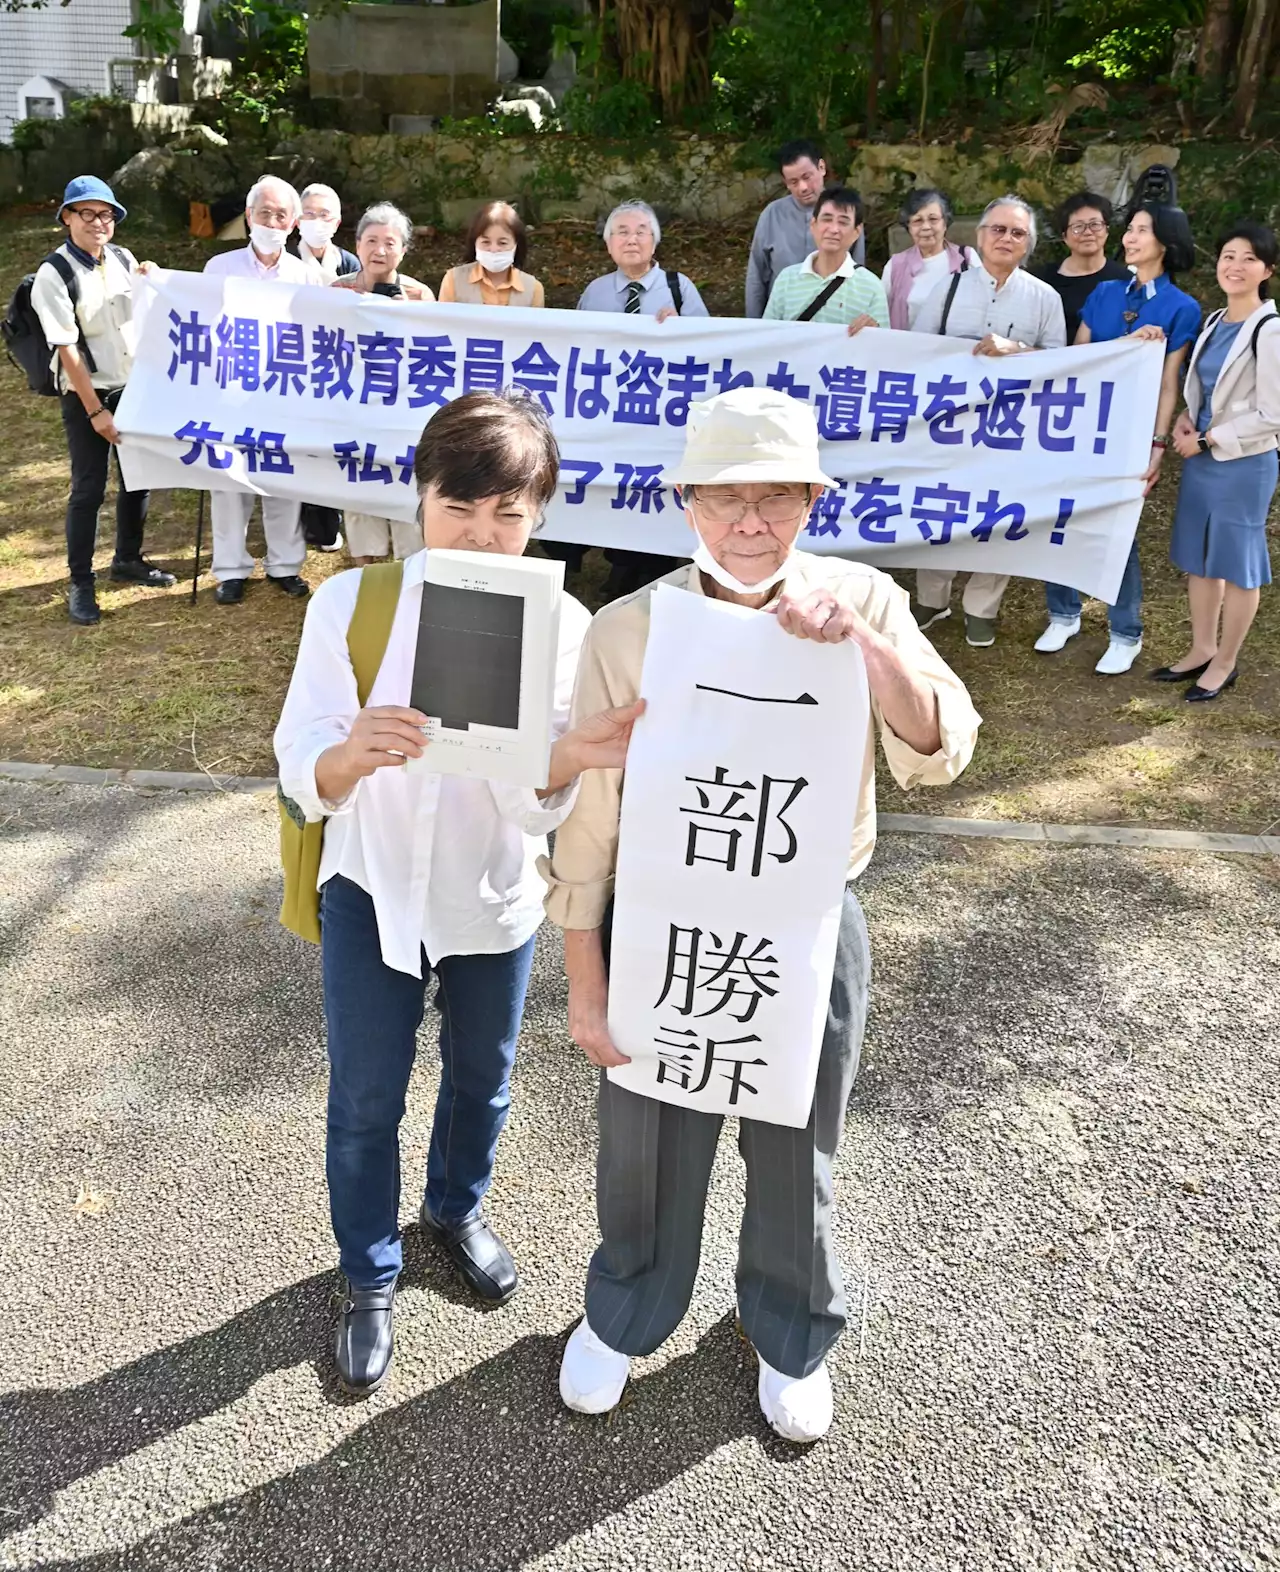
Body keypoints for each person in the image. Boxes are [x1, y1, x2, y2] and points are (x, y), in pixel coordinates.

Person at [544, 387, 980, 1443]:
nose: (751, 523)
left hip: (806, 920)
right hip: (660, 920)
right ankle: (627, 1307)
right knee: (643, 1134)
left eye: (777, 498)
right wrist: (586, 983)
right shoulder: (627, 627)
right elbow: (590, 818)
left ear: (812, 501)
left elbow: (941, 744)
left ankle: (790, 1331)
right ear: (684, 501)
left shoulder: (859, 598)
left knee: (795, 1141)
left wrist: (863, 652)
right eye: (725, 498)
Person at [274, 391, 645, 1394]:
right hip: (374, 890)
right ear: (420, 497)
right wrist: (348, 758)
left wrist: (558, 758)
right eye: (459, 507)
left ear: (539, 515)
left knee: (482, 1079)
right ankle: (367, 1272)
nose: (482, 534)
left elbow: (539, 812)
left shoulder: (563, 626)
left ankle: (453, 1207)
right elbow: (297, 753)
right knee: (363, 1097)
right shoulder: (352, 607)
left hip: (493, 896)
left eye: (508, 514)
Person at [1035, 202, 1201, 675]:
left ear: (1165, 242)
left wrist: (1157, 444)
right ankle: (1063, 613)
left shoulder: (1181, 307)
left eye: (1142, 231)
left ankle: (1125, 630)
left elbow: (1170, 384)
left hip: (1129, 431)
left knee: (1117, 532)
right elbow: (1077, 359)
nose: (1130, 238)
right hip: (1079, 425)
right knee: (1059, 516)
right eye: (1129, 229)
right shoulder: (1105, 292)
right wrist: (1127, 345)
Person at [911, 194, 1068, 648]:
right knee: (939, 506)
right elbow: (914, 351)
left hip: (1012, 429)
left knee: (998, 514)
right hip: (948, 423)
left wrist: (1016, 350)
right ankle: (931, 597)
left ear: (1029, 244)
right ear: (979, 237)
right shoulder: (949, 288)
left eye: (1017, 232)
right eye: (997, 229)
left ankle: (982, 607)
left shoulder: (1045, 298)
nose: (1006, 238)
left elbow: (1062, 365)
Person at [30, 175, 176, 625]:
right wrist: (95, 410)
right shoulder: (54, 275)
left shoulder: (123, 258)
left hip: (132, 388)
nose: (98, 222)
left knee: (138, 479)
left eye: (106, 214)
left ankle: (127, 560)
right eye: (87, 213)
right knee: (88, 490)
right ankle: (80, 582)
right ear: (67, 218)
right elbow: (67, 350)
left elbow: (144, 312)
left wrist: (152, 279)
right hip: (86, 396)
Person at [1159, 222, 1279, 701]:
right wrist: (1187, 420)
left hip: (1243, 464)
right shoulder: (1214, 321)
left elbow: (1273, 413)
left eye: (1249, 258)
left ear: (1267, 269)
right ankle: (1202, 647)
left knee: (1237, 563)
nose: (1236, 266)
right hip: (1203, 458)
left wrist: (1207, 439)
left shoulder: (1270, 330)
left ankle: (1226, 662)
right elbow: (1205, 392)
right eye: (1229, 255)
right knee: (1200, 560)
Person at [574, 199, 708, 599]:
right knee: (616, 487)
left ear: (655, 242)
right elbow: (574, 347)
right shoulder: (595, 292)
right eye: (622, 232)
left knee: (656, 486)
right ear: (608, 244)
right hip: (608, 413)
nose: (631, 240)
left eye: (641, 232)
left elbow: (710, 344)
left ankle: (652, 570)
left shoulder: (678, 288)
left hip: (662, 415)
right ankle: (620, 565)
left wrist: (681, 330)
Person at [203, 175, 312, 606]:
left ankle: (285, 565)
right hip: (232, 392)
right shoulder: (220, 268)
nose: (271, 221)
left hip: (286, 393)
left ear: (294, 223)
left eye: (280, 215)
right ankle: (230, 570)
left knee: (284, 480)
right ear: (248, 217)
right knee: (229, 482)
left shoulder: (306, 274)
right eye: (263, 213)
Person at [331, 203, 434, 565]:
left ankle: (411, 569)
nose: (380, 250)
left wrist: (411, 316)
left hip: (403, 413)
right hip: (353, 409)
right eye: (371, 240)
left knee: (405, 492)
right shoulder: (337, 289)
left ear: (404, 250)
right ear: (357, 245)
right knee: (360, 492)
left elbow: (434, 354)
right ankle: (366, 571)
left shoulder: (420, 294)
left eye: (390, 243)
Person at [745, 139, 866, 318]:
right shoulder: (772, 214)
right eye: (793, 182)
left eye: (807, 177)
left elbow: (858, 272)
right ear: (785, 182)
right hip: (781, 320)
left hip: (834, 319)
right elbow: (756, 276)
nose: (802, 187)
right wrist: (754, 326)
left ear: (822, 167)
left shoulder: (846, 212)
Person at [761, 185, 889, 329]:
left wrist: (874, 330)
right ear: (814, 225)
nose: (834, 229)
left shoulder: (872, 287)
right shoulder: (786, 280)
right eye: (827, 219)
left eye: (843, 222)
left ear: (856, 232)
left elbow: (881, 347)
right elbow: (768, 335)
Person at [1036, 191, 1129, 342]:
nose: (1087, 232)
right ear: (1064, 236)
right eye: (1078, 227)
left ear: (1107, 231)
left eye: (1095, 225)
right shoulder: (1042, 281)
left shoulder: (1125, 282)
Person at [881, 187, 977, 331]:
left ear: (945, 222)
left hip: (954, 349)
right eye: (917, 221)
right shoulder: (895, 266)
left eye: (933, 219)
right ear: (908, 226)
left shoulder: (966, 258)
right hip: (909, 350)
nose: (926, 227)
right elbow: (880, 315)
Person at [438, 200, 545, 307]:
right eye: (486, 242)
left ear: (516, 245)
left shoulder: (533, 289)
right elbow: (442, 321)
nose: (494, 249)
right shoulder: (453, 281)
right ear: (474, 242)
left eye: (502, 243)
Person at [290, 182, 359, 284]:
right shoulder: (287, 260)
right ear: (298, 221)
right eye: (309, 213)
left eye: (324, 215)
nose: (316, 221)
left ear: (336, 224)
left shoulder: (348, 263)